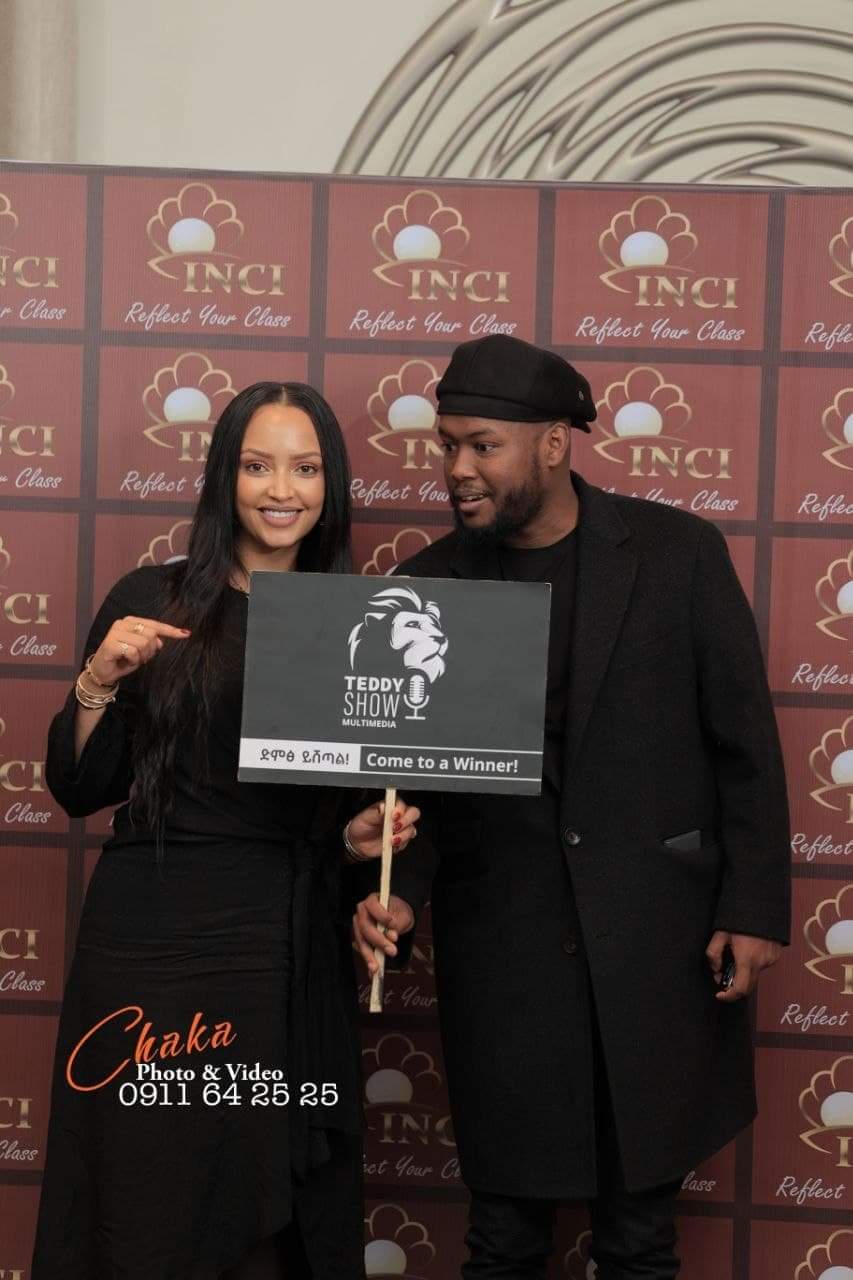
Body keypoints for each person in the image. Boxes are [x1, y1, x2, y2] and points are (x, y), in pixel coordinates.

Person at [352, 335, 790, 1279]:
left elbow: (745, 749)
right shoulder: (427, 589)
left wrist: (752, 906)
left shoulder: (678, 554)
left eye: (482, 446)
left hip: (658, 948)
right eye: (447, 445)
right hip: (504, 956)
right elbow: (412, 790)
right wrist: (396, 892)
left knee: (638, 1240)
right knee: (503, 1238)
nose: (457, 469)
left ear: (554, 444)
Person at [32, 381, 420, 1280]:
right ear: (223, 478)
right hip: (151, 942)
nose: (281, 490)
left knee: (266, 1203)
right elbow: (79, 788)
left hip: (279, 947)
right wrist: (97, 681)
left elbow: (331, 816)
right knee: (144, 1190)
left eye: (304, 468)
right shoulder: (154, 600)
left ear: (330, 484)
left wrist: (357, 842)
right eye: (256, 466)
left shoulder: (361, 623)